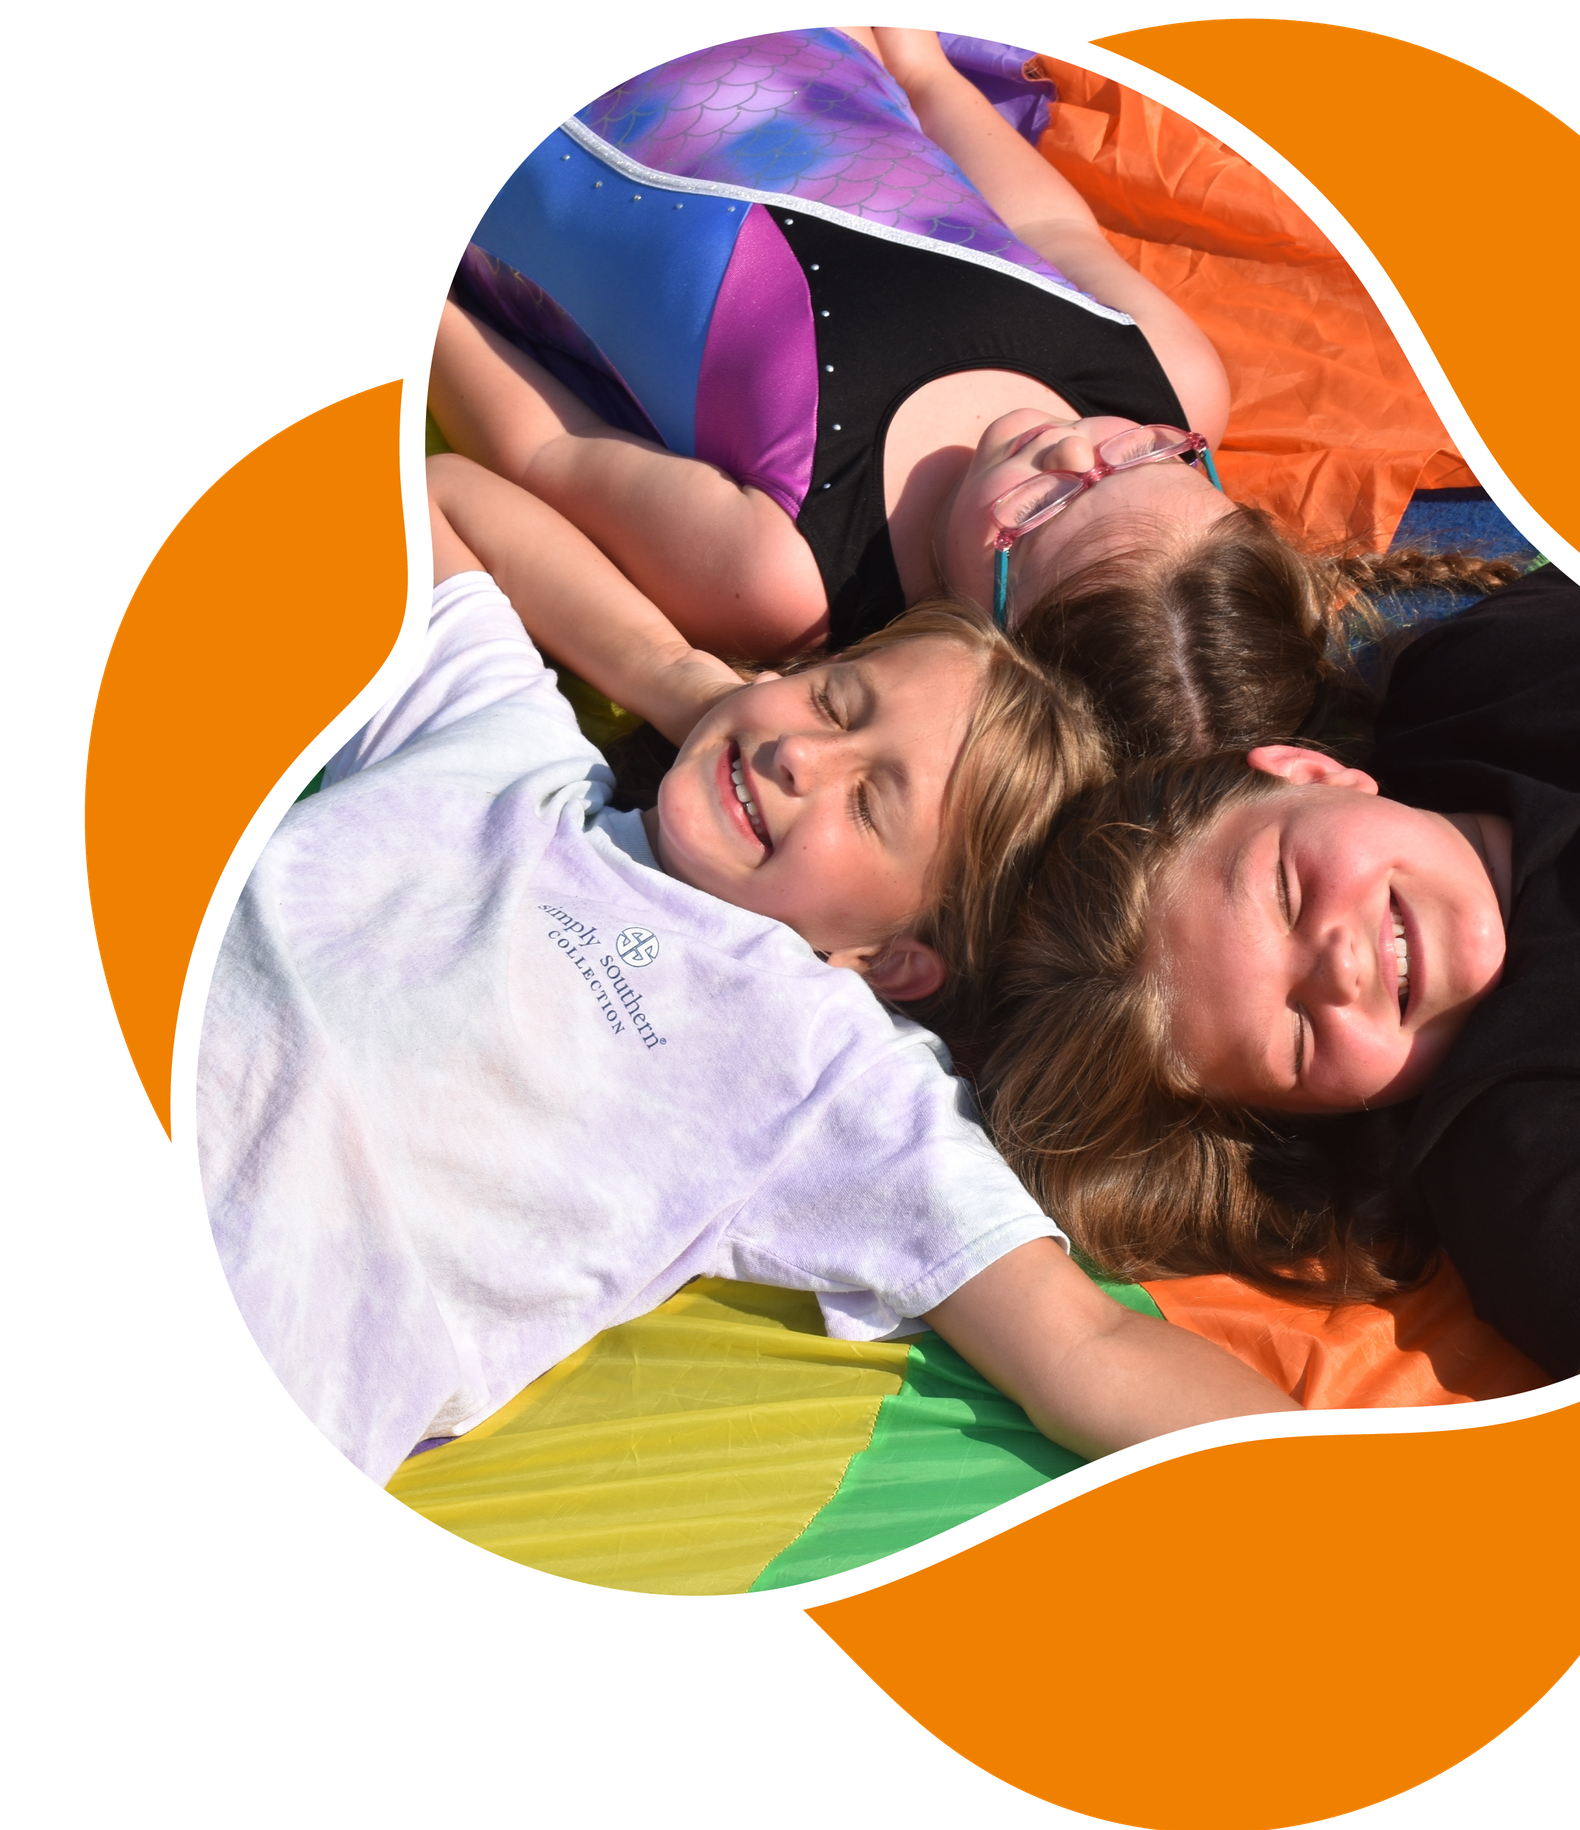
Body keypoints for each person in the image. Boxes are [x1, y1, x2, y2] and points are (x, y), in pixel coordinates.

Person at [196, 454, 1296, 1487]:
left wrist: (1336, 1498)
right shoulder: (509, 749)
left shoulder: (822, 1061)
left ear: (890, 956)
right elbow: (428, 492)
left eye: (868, 804)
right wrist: (687, 685)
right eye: (832, 702)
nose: (799, 756)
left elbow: (1084, 1345)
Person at [981, 565, 1580, 1380]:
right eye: (1298, 1036)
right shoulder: (1540, 1167)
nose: (1338, 965)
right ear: (1318, 1113)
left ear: (1310, 773)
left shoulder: (1484, 679)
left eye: (1288, 891)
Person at [428, 26, 1234, 662]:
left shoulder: (790, 574)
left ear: (993, 645)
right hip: (797, 47)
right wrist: (923, 72)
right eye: (1150, 458)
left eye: (1048, 510)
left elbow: (549, 446)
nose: (1076, 452)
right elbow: (1046, 227)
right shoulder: (1165, 381)